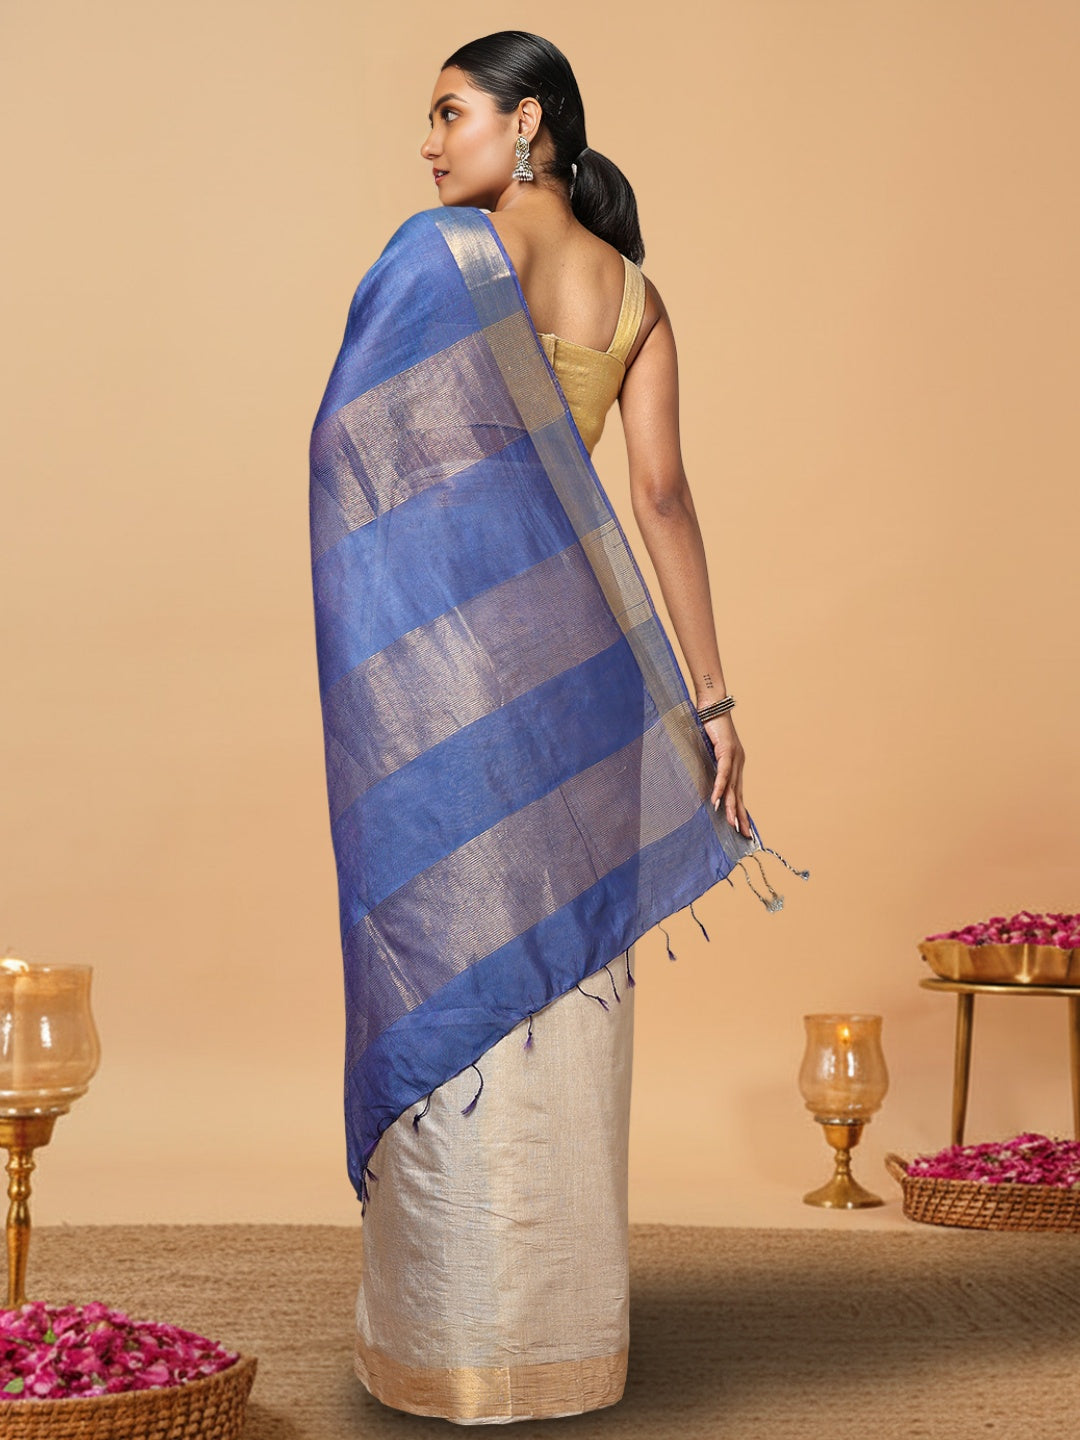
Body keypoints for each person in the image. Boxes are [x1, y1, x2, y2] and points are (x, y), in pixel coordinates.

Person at [308, 30, 807, 1426]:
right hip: (580, 683)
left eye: (450, 114)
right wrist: (713, 703)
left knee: (447, 962)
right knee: (559, 994)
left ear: (526, 122)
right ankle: (562, 1341)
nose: (428, 146)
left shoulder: (440, 256)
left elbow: (350, 448)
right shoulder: (636, 293)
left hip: (449, 687)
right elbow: (663, 502)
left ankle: (456, 1340)